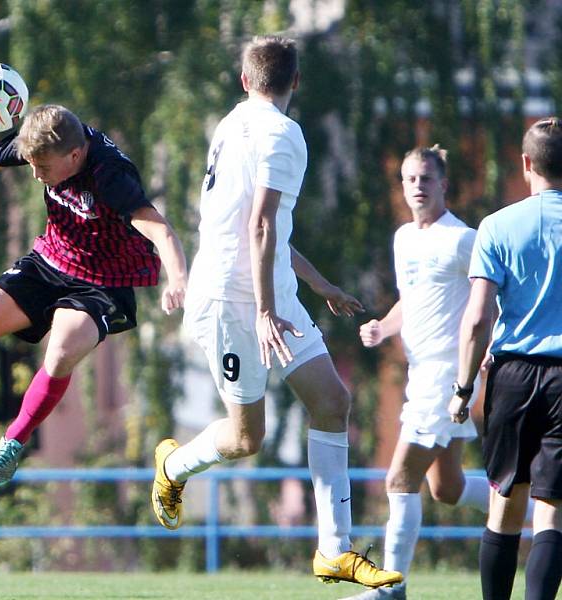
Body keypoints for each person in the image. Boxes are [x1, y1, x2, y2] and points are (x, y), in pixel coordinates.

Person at [149, 35, 403, 590]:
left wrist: (321, 285)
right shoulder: (284, 134)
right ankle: (171, 468)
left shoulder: (229, 124)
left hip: (272, 294)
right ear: (297, 82)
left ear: (245, 80)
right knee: (247, 439)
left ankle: (334, 552)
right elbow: (258, 226)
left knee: (333, 402)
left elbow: (268, 231)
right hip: (233, 303)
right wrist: (265, 309)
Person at [0, 104, 188, 487]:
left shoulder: (110, 175)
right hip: (50, 259)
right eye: (31, 164)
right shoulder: (45, 140)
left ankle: (14, 442)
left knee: (62, 350)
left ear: (75, 156)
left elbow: (161, 231)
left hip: (104, 280)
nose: (35, 174)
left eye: (43, 169)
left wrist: (177, 278)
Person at [347, 146, 491, 600]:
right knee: (446, 488)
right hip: (421, 373)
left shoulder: (461, 239)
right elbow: (411, 301)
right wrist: (382, 327)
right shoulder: (403, 239)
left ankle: (392, 588)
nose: (418, 187)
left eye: (426, 179)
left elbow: (496, 296)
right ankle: (526, 497)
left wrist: (489, 349)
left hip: (447, 378)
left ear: (444, 185)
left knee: (399, 479)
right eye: (410, 179)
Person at [449, 117, 562, 600]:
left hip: (513, 375)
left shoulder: (496, 226)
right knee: (553, 510)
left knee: (505, 504)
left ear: (525, 163)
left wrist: (462, 388)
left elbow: (476, 318)